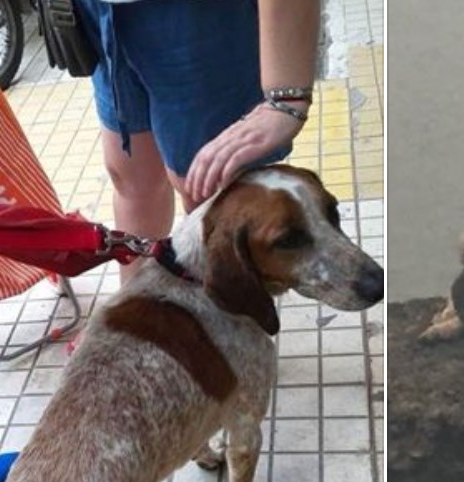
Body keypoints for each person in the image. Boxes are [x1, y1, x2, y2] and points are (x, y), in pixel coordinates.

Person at [75, 0, 321, 283]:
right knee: (131, 179)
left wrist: (287, 95)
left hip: (196, 14)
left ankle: (233, 321)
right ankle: (140, 312)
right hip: (101, 10)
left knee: (208, 192)